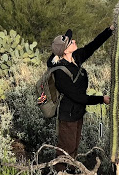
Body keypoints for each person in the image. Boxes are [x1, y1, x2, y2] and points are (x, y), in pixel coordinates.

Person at [49, 25, 114, 166]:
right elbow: (78, 97)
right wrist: (101, 99)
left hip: (78, 112)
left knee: (74, 147)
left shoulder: (76, 58)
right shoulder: (60, 71)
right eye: (71, 42)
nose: (74, 41)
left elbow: (93, 45)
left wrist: (109, 30)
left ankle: (69, 173)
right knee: (66, 149)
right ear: (65, 50)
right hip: (68, 115)